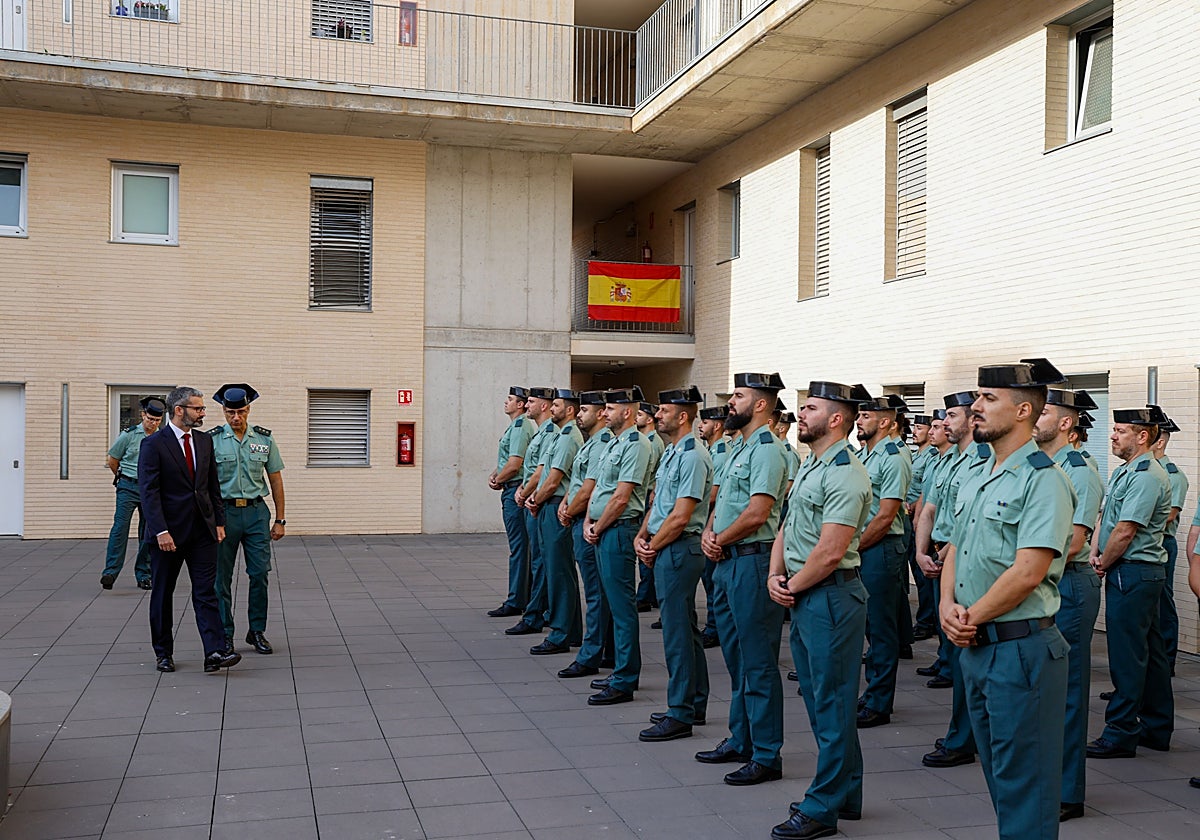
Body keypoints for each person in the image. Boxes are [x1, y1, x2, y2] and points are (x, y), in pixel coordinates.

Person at [941, 358, 1074, 840]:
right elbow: (955, 546)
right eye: (977, 397)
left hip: (1021, 650)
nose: (975, 407)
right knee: (1001, 779)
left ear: (1023, 411)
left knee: (1026, 786)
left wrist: (967, 616)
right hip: (979, 645)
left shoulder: (1044, 478)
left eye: (987, 399)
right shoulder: (979, 472)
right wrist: (944, 607)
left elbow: (1028, 571)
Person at [766, 382, 872, 840]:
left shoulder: (846, 472)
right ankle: (846, 792)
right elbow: (788, 527)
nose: (800, 414)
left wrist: (789, 585)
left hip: (830, 596)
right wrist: (775, 574)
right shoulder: (813, 464)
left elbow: (830, 551)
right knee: (823, 700)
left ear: (835, 420)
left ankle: (822, 805)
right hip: (807, 593)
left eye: (809, 408)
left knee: (830, 702)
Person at [697, 372, 788, 786]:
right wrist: (709, 532)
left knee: (758, 662)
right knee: (736, 658)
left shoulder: (767, 449)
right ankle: (742, 737)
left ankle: (767, 754)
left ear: (762, 404)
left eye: (739, 396)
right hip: (728, 560)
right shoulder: (738, 447)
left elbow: (757, 512)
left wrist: (721, 539)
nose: (730, 402)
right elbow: (722, 502)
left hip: (751, 561)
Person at [1087, 405, 1173, 759]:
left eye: (1120, 430)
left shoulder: (1146, 475)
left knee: (1127, 657)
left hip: (1133, 572)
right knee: (1149, 655)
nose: (1112, 434)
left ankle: (1120, 732)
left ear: (1142, 436)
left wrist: (1103, 562)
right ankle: (1156, 727)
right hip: (1134, 572)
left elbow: (1125, 530)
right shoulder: (1129, 471)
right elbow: (1108, 519)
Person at [1034, 387, 1103, 822]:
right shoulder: (1045, 465)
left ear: (1065, 423)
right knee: (1045, 692)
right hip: (1047, 583)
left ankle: (1066, 793)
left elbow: (1074, 542)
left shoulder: (1078, 470)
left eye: (1044, 412)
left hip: (1069, 585)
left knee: (1069, 695)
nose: (1035, 418)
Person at [138, 387, 240, 674]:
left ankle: (215, 652)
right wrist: (160, 531)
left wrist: (218, 521)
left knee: (206, 591)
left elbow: (211, 486)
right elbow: (149, 493)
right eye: (197, 408)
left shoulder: (205, 441)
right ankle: (163, 652)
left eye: (203, 408)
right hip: (167, 535)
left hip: (202, 532)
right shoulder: (154, 445)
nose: (203, 413)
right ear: (179, 409)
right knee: (162, 593)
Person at [635, 386, 713, 742]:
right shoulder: (672, 452)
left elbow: (682, 515)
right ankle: (694, 702)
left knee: (677, 633)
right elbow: (659, 503)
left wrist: (652, 543)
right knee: (685, 628)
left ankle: (679, 712)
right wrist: (643, 532)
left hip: (679, 549)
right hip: (666, 544)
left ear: (683, 416)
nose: (657, 416)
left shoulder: (693, 455)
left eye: (664, 410)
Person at [915, 392, 988, 768]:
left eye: (952, 416)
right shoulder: (946, 461)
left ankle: (965, 737)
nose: (944, 422)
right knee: (958, 656)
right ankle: (963, 731)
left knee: (966, 659)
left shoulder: (982, 461)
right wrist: (921, 551)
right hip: (940, 557)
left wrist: (942, 556)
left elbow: (968, 524)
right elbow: (928, 509)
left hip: (959, 559)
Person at [583, 387, 653, 705]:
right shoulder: (615, 442)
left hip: (618, 530)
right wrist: (588, 520)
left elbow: (622, 496)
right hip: (603, 528)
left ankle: (626, 678)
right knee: (612, 603)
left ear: (627, 412)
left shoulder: (636, 445)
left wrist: (598, 525)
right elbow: (598, 488)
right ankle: (619, 670)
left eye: (610, 408)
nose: (605, 412)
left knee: (623, 609)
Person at [209, 384, 285, 656]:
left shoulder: (263, 439)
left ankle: (256, 631)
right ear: (224, 412)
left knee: (260, 574)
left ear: (248, 409)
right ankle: (225, 635)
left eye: (240, 411)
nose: (236, 417)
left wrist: (280, 519)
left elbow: (275, 478)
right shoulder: (212, 439)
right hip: (224, 515)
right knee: (221, 579)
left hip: (255, 513)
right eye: (230, 412)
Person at [854, 392, 912, 728]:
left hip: (879, 547)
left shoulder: (892, 457)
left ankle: (879, 702)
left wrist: (856, 547)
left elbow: (886, 515)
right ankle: (873, 691)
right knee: (870, 626)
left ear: (886, 421)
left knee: (881, 626)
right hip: (865, 546)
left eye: (865, 416)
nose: (859, 421)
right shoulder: (869, 454)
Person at [557, 391, 613, 679]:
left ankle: (592, 654)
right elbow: (577, 479)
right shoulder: (592, 442)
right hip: (581, 516)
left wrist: (570, 510)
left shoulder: (603, 442)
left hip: (588, 521)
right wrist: (567, 504)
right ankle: (607, 651)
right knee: (598, 590)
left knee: (596, 592)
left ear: (602, 413)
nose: (579, 414)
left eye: (585, 410)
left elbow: (590, 487)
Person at [525, 389, 584, 656]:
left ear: (569, 410)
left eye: (557, 405)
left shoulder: (569, 437)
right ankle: (569, 630)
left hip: (555, 505)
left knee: (559, 572)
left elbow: (554, 477)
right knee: (557, 571)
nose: (553, 409)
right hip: (549, 505)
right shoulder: (560, 434)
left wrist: (535, 499)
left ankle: (561, 633)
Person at [506, 387, 556, 636]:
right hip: (534, 498)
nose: (526, 405)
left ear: (544, 406)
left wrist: (525, 493)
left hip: (539, 500)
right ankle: (543, 610)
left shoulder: (551, 432)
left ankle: (536, 613)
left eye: (531, 402)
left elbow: (541, 471)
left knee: (538, 559)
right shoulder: (540, 432)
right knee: (538, 558)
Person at [102, 396, 164, 591]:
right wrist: (123, 478)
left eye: (157, 420)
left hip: (151, 490)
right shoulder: (128, 435)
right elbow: (113, 459)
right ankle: (110, 572)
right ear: (143, 415)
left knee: (148, 532)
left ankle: (144, 574)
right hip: (128, 486)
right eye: (150, 419)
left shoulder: (162, 438)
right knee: (120, 528)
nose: (153, 423)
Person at [487, 386, 534, 618]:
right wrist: (496, 473)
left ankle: (517, 599)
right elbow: (506, 460)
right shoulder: (515, 426)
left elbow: (516, 463)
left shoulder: (521, 426)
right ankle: (523, 597)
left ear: (521, 404)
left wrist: (499, 479)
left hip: (515, 489)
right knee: (521, 548)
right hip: (510, 487)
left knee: (519, 548)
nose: (506, 402)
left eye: (511, 399)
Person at [1150, 412, 1187, 675]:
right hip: (1142, 544)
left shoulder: (1173, 475)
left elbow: (1168, 517)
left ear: (1159, 442)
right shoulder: (1138, 470)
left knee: (1163, 602)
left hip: (1161, 544)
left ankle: (1166, 663)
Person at [697, 405, 731, 650]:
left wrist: (688, 502)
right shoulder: (711, 450)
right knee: (709, 579)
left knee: (712, 579)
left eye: (705, 422)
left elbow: (714, 494)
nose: (700, 426)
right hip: (706, 519)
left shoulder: (720, 453)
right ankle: (714, 625)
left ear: (717, 426)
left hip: (713, 519)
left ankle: (714, 627)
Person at [906, 414, 938, 639]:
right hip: (912, 517)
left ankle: (927, 621)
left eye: (920, 427)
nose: (914, 431)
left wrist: (916, 512)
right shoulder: (914, 455)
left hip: (922, 520)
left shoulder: (933, 457)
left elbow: (925, 493)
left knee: (924, 574)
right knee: (917, 571)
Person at [635, 401, 665, 612]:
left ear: (649, 419)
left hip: (648, 496)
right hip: (647, 496)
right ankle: (650, 593)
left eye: (640, 414)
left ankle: (646, 595)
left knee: (646, 544)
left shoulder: (652, 443)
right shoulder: (646, 440)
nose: (636, 417)